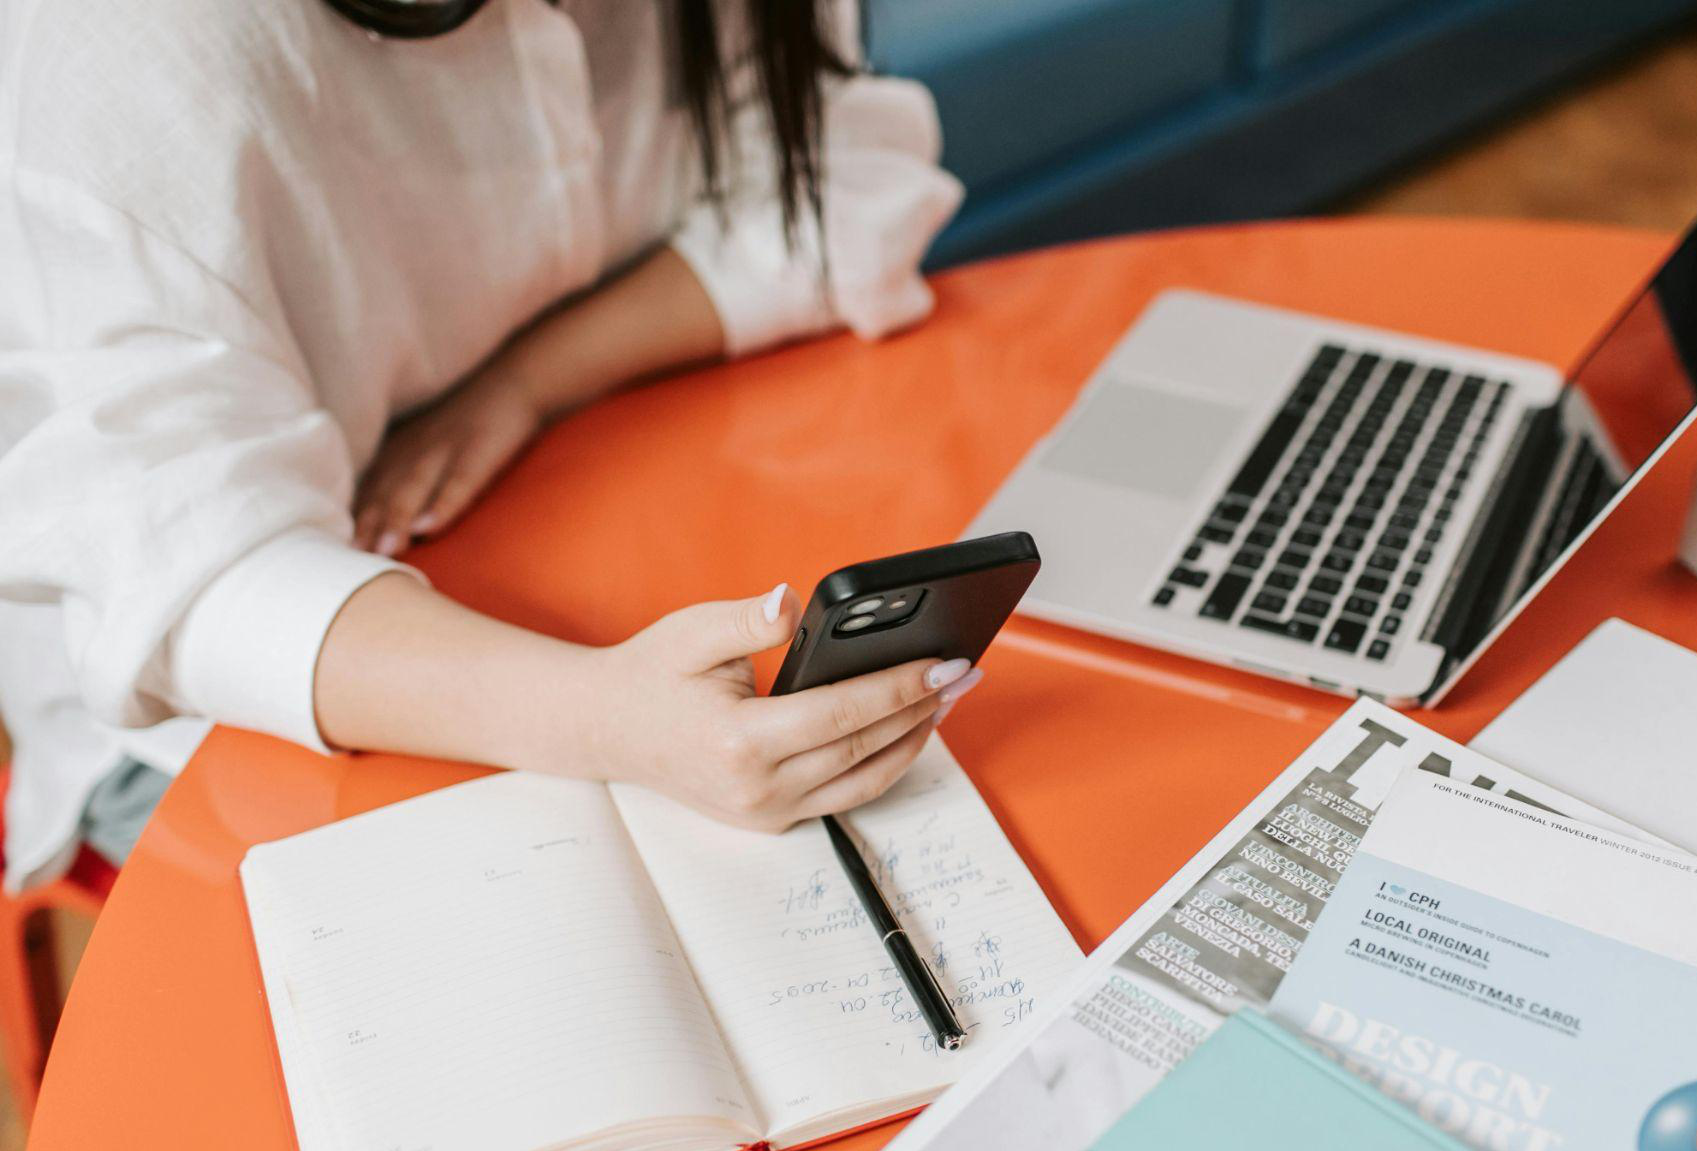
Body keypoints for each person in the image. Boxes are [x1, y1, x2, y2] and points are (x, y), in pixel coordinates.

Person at [0, 0, 975, 894]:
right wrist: (604, 721)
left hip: (578, 523)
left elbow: (838, 179)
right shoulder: (115, 47)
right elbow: (193, 588)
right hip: (215, 711)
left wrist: (521, 383)